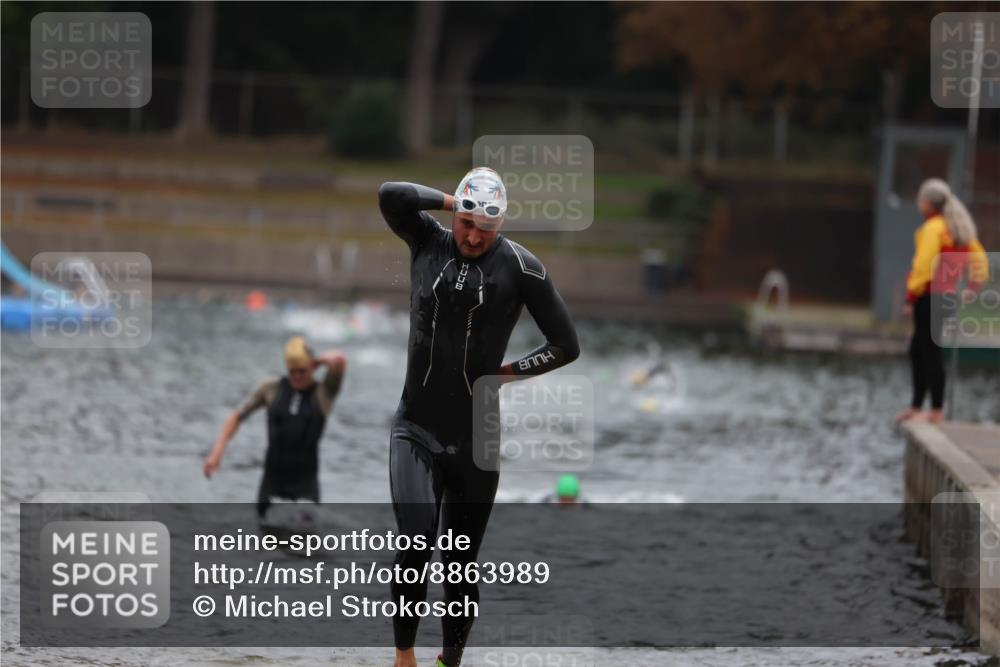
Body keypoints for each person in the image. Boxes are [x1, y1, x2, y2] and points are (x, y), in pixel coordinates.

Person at [378, 167, 580, 667]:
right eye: (467, 222)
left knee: (461, 565)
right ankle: (404, 656)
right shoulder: (427, 239)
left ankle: (451, 661)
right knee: (415, 543)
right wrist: (458, 201)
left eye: (485, 229)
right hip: (416, 429)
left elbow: (565, 346)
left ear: (501, 226)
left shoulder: (521, 267)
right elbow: (391, 195)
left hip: (476, 439)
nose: (472, 236)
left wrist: (505, 375)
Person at [203, 336, 347, 519]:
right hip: (272, 482)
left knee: (306, 542)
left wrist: (317, 361)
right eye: (292, 371)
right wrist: (216, 453)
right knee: (264, 539)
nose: (297, 376)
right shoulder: (271, 388)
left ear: (312, 367)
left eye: (302, 371)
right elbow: (237, 416)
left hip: (306, 486)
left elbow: (339, 360)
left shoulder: (325, 392)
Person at [896, 178, 988, 425]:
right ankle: (917, 406)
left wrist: (911, 295)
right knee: (919, 349)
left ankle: (935, 409)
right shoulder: (959, 228)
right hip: (946, 296)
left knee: (928, 351)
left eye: (919, 199)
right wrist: (973, 286)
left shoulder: (934, 228)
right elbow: (979, 259)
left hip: (929, 296)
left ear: (927, 203)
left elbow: (924, 266)